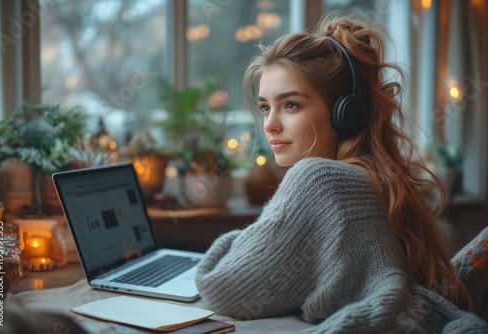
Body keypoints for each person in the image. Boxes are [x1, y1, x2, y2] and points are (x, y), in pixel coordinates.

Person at [195, 14, 488, 333]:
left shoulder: (317, 179)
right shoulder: (377, 176)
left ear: (344, 113)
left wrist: (240, 241)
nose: (270, 124)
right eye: (266, 107)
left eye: (290, 105)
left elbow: (222, 290)